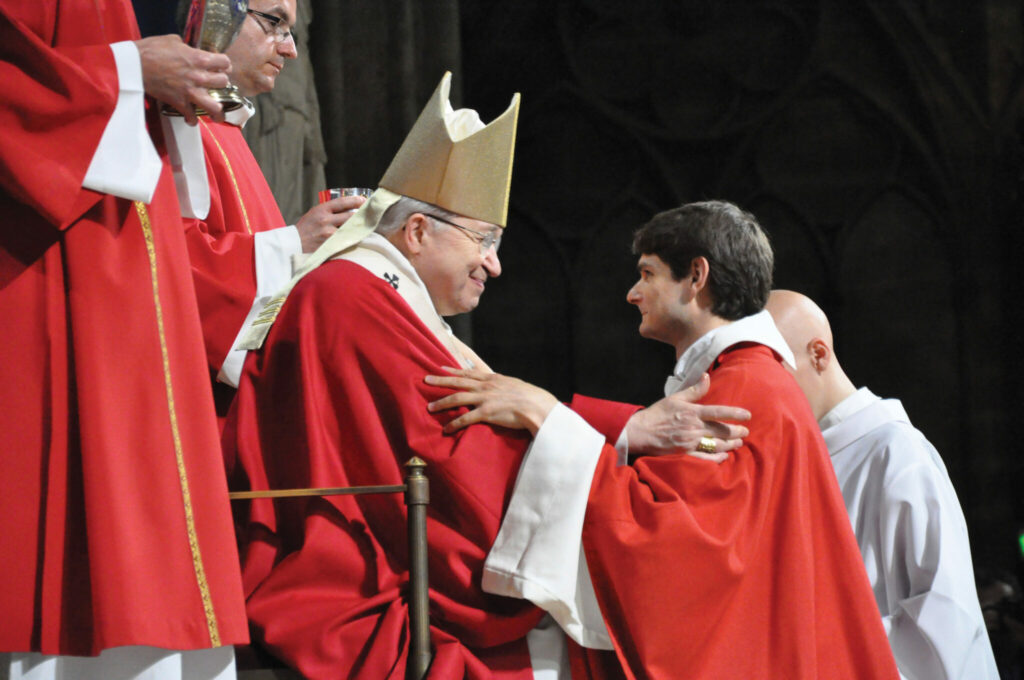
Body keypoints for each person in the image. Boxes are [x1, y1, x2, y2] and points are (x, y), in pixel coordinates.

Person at [224, 73, 751, 679]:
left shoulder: (392, 300)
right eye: (486, 240)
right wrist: (622, 445)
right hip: (342, 583)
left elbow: (479, 413)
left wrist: (613, 428)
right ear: (418, 231)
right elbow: (452, 449)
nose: (495, 266)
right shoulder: (352, 294)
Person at [431, 202, 900, 678]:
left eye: (648, 274)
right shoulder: (749, 376)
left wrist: (547, 415)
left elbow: (671, 546)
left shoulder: (743, 386)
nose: (633, 294)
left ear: (697, 276)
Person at [0, 1, 247, 678]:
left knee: (162, 571)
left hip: (139, 267)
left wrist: (162, 87)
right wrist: (130, 71)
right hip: (53, 269)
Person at [765, 289, 999, 679]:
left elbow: (945, 615)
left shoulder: (897, 452)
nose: (764, 396)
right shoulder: (795, 460)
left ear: (819, 354)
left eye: (774, 376)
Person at [182, 0, 364, 394]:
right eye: (275, 23)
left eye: (291, 31)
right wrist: (296, 242)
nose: (290, 49)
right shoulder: (176, 120)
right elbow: (169, 267)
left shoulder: (225, 128)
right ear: (218, 10)